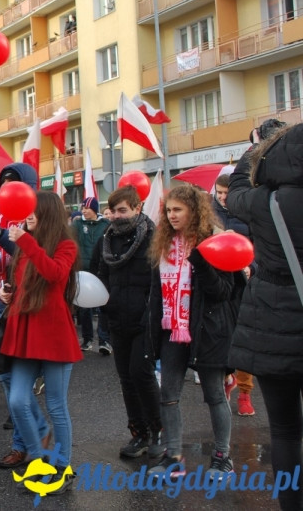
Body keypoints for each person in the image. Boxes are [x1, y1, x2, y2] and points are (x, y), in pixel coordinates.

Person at [227, 123, 303, 510]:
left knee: (286, 431)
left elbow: (235, 191)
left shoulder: (263, 201)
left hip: (273, 328)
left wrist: (255, 149)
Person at [146, 185, 237, 481]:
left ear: (194, 211)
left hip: (207, 330)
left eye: (178, 210)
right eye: (168, 210)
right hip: (172, 329)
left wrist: (201, 262)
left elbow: (223, 291)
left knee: (214, 395)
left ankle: (222, 457)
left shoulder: (214, 242)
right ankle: (174, 457)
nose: (171, 216)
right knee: (168, 395)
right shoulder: (163, 244)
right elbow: (156, 292)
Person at [0, 163, 50, 468]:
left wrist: (1, 236)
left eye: (15, 182)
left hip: (24, 306)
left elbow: (36, 253)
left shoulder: (37, 215)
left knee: (20, 382)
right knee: (3, 375)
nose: (8, 189)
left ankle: (27, 441)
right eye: (4, 184)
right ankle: (32, 436)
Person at [0, 191, 80, 490]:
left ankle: (63, 466)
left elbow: (54, 273)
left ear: (47, 213)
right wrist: (7, 292)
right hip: (24, 331)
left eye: (34, 211)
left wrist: (26, 242)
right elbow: (23, 284)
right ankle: (38, 459)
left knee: (56, 406)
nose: (28, 215)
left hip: (54, 334)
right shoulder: (24, 246)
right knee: (18, 399)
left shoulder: (65, 245)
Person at [92, 186, 162, 459]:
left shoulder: (153, 238)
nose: (118, 216)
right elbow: (100, 276)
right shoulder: (106, 240)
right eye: (114, 211)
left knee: (141, 375)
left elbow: (158, 282)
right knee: (126, 379)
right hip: (117, 317)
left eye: (124, 210)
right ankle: (139, 432)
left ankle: (158, 429)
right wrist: (104, 307)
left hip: (145, 320)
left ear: (138, 208)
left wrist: (150, 315)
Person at [212, 173, 256, 417]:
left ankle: (246, 393)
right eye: (218, 193)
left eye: (226, 193)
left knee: (244, 340)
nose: (222, 197)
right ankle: (228, 378)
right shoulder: (210, 213)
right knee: (222, 337)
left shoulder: (248, 213)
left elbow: (260, 247)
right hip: (218, 283)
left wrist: (253, 267)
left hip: (244, 283)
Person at [73, 196, 111, 355]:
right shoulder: (77, 224)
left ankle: (104, 341)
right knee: (84, 307)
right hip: (82, 270)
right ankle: (87, 339)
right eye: (83, 208)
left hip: (101, 270)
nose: (84, 211)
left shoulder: (106, 225)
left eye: (87, 208)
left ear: (95, 209)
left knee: (103, 306)